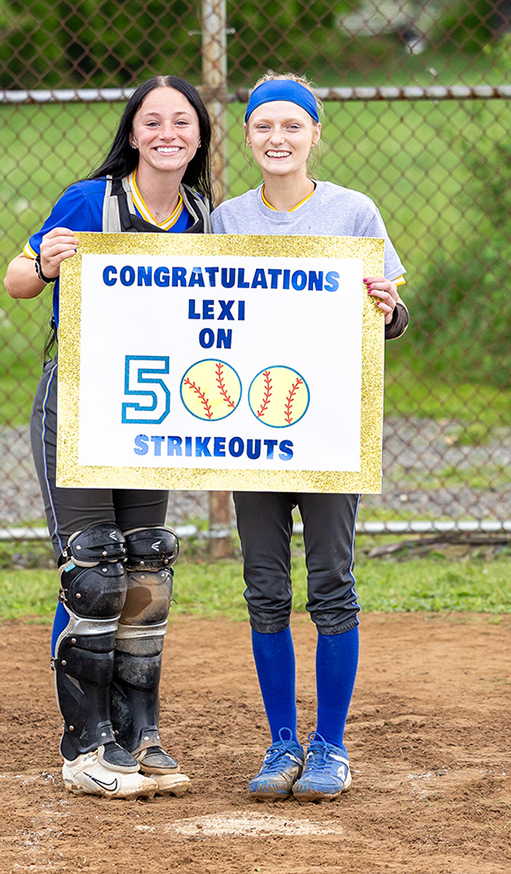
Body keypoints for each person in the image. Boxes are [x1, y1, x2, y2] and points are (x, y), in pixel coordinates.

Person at [5, 76, 213, 800]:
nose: (166, 132)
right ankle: (86, 746)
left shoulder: (200, 215)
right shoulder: (91, 200)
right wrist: (43, 264)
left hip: (148, 412)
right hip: (78, 399)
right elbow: (17, 280)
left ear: (198, 136)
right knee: (93, 571)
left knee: (146, 571)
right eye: (151, 121)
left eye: (180, 122)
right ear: (132, 134)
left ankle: (138, 734)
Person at [211, 73, 409, 802]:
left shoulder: (353, 213)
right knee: (264, 589)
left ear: (315, 134)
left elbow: (389, 317)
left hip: (329, 427)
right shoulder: (228, 219)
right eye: (264, 126)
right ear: (249, 135)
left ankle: (330, 744)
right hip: (254, 431)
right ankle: (280, 744)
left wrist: (387, 310)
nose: (277, 139)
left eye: (293, 126)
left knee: (331, 587)